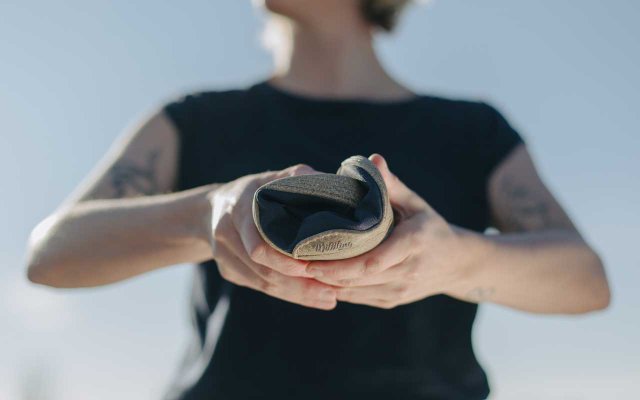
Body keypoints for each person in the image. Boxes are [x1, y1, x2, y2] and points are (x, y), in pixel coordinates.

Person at [25, 0, 611, 399]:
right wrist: (207, 214)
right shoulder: (194, 119)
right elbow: (51, 254)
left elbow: (586, 281)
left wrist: (455, 261)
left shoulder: (472, 131)